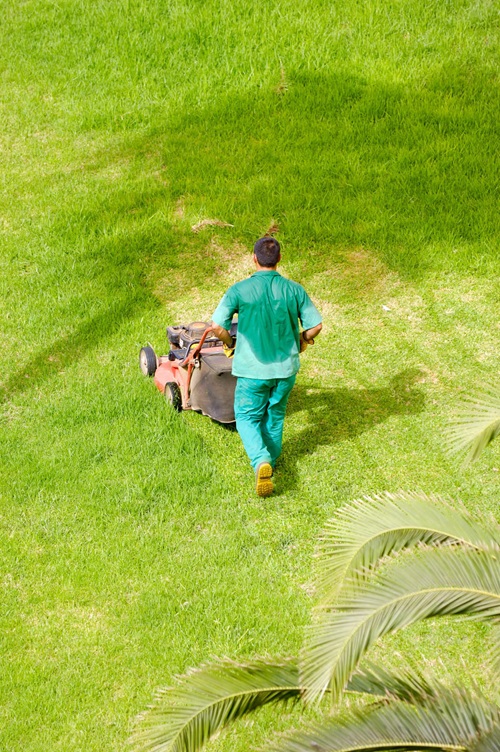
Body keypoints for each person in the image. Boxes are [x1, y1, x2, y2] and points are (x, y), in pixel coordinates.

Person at [211, 237, 322, 497]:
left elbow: (217, 327)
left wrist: (230, 342)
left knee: (247, 417)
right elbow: (316, 325)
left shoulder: (239, 290)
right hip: (285, 371)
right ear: (279, 259)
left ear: (254, 258)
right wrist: (302, 340)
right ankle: (271, 460)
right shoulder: (294, 290)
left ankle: (260, 460)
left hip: (252, 371)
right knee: (276, 414)